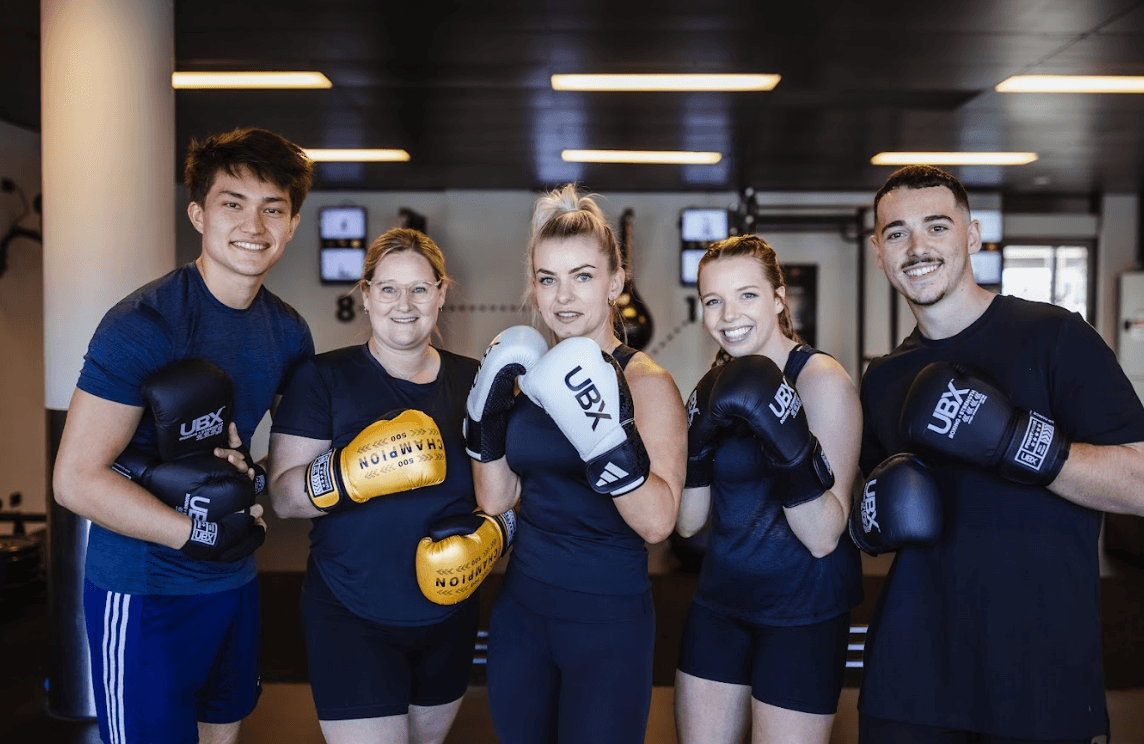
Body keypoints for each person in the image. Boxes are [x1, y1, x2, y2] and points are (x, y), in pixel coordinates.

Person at [855, 164, 1144, 743]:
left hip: (1041, 679)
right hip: (910, 682)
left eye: (937, 227)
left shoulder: (1056, 336)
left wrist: (1022, 443)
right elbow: (870, 524)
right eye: (896, 233)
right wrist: (873, 520)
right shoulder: (882, 380)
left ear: (972, 236)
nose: (917, 247)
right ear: (879, 254)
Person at [52, 127, 315, 744]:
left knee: (221, 732)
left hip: (234, 580)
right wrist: (191, 532)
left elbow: (293, 459)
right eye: (233, 203)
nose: (254, 224)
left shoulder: (286, 332)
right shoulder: (144, 325)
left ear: (293, 224)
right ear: (198, 213)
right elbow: (75, 479)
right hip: (145, 590)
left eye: (273, 208)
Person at [267, 228, 507, 744]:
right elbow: (283, 499)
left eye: (420, 289)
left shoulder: (477, 381)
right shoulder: (322, 378)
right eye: (389, 288)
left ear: (442, 292)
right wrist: (347, 473)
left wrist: (494, 538)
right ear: (366, 292)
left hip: (450, 611)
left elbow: (506, 494)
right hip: (350, 612)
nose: (405, 304)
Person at [469, 185, 687, 744]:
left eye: (583, 276)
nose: (563, 296)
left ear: (616, 282)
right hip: (522, 610)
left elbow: (660, 524)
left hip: (608, 620)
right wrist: (487, 425)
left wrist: (602, 437)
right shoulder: (527, 376)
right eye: (548, 279)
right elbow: (495, 503)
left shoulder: (648, 384)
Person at [672, 235, 863, 744]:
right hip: (720, 604)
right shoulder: (711, 384)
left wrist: (780, 432)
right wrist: (696, 446)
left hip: (803, 613)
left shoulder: (822, 380)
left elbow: (824, 535)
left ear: (780, 298)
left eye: (747, 295)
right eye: (713, 300)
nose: (728, 314)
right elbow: (688, 522)